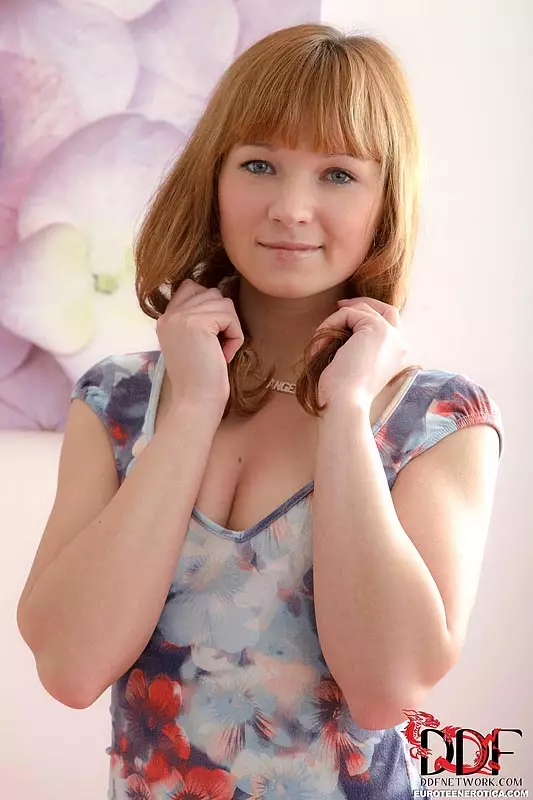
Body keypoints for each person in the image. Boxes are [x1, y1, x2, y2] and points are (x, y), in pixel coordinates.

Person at [17, 23, 504, 800]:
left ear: (385, 200)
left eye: (338, 174)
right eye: (258, 165)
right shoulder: (119, 400)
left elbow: (385, 690)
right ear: (212, 178)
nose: (290, 208)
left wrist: (346, 413)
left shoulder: (437, 420)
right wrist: (192, 409)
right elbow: (70, 668)